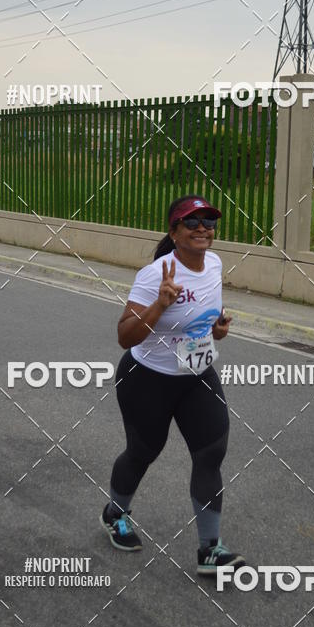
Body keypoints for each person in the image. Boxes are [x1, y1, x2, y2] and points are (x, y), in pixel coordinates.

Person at [100, 194, 246, 575]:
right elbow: (125, 336)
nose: (202, 229)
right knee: (142, 452)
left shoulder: (214, 264)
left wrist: (217, 329)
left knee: (211, 452)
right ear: (174, 231)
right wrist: (160, 305)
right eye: (192, 222)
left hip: (197, 376)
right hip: (147, 379)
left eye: (209, 221)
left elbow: (206, 315)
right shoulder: (155, 275)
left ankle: (210, 550)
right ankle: (115, 512)